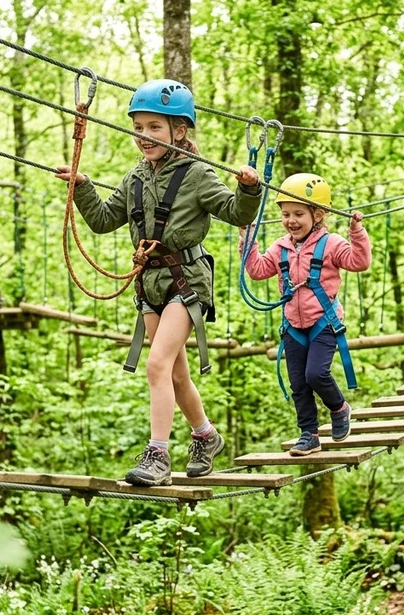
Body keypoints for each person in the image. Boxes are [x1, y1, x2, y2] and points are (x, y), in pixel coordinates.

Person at [54, 79, 262, 486]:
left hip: (187, 281)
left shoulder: (198, 174)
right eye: (139, 128)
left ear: (179, 131)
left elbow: (236, 213)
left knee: (156, 364)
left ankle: (158, 455)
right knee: (176, 375)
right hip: (149, 284)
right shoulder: (135, 178)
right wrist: (83, 187)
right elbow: (102, 221)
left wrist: (249, 189)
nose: (144, 136)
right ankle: (206, 436)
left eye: (154, 127)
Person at [239, 173, 370, 454]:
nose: (291, 220)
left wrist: (356, 232)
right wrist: (247, 239)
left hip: (324, 321)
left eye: (299, 214)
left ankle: (339, 408)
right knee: (298, 383)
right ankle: (309, 434)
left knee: (316, 374)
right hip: (293, 325)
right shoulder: (280, 248)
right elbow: (257, 270)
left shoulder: (331, 243)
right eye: (286, 214)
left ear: (318, 215)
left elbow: (359, 262)